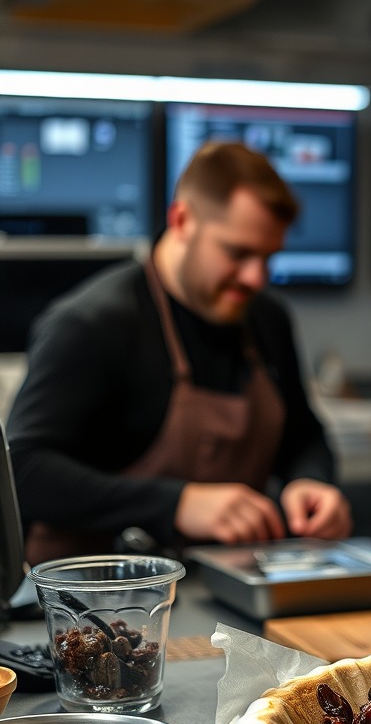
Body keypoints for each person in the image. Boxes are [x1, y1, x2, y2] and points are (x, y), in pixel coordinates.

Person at [8, 140, 352, 564]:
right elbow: (22, 469)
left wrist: (311, 481)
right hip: (102, 592)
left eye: (268, 258)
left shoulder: (266, 318)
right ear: (182, 220)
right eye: (238, 253)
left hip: (225, 581)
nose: (256, 278)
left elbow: (302, 434)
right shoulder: (92, 324)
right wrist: (176, 504)